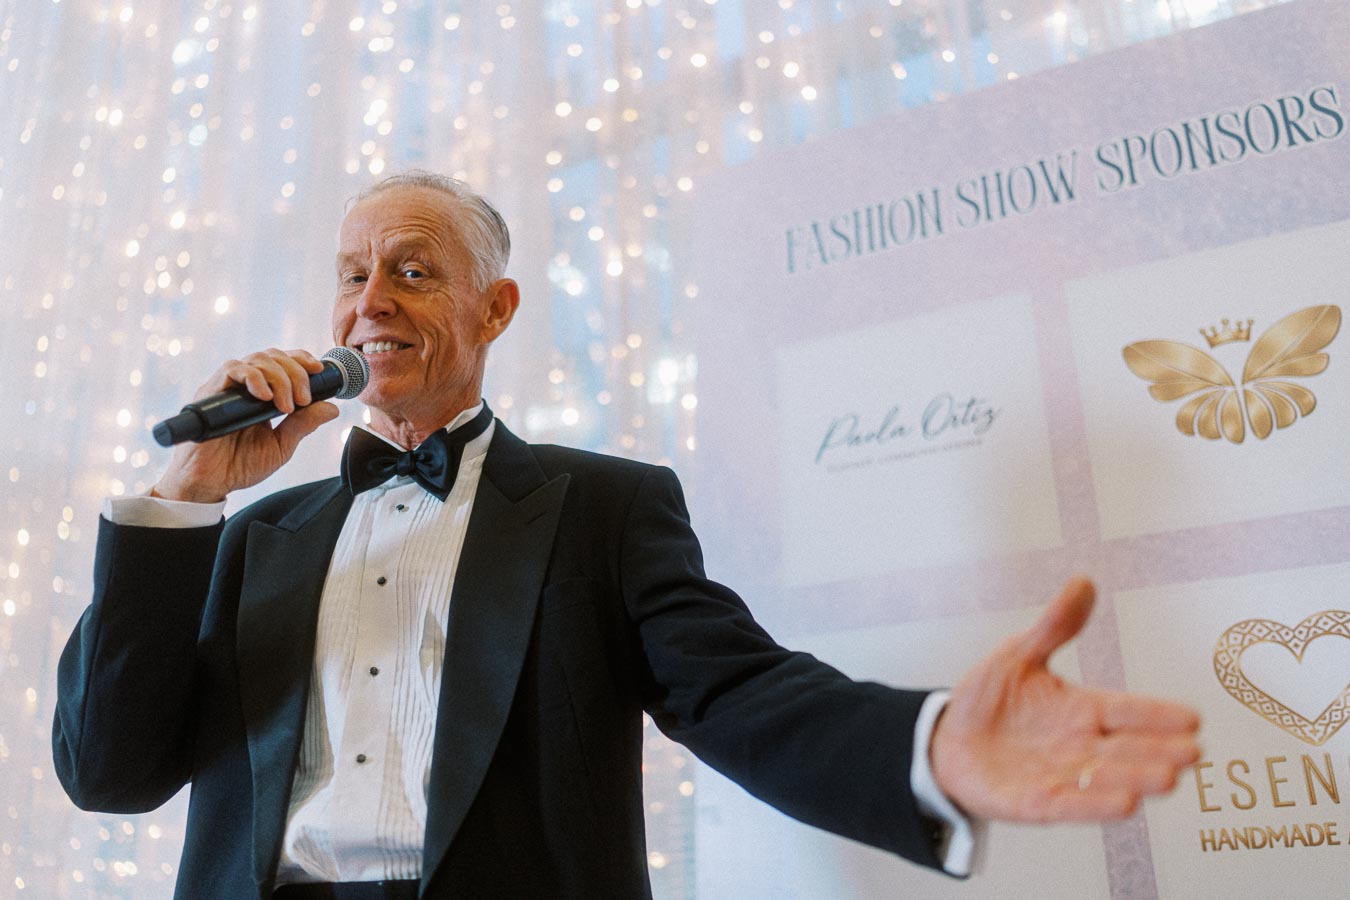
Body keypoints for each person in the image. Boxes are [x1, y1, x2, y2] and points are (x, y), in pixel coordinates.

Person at [53, 171, 1200, 900]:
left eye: (413, 271)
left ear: (497, 309)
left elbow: (740, 694)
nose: (371, 303)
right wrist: (187, 493)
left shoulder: (606, 507)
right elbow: (110, 772)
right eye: (352, 276)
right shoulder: (251, 536)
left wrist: (930, 747)